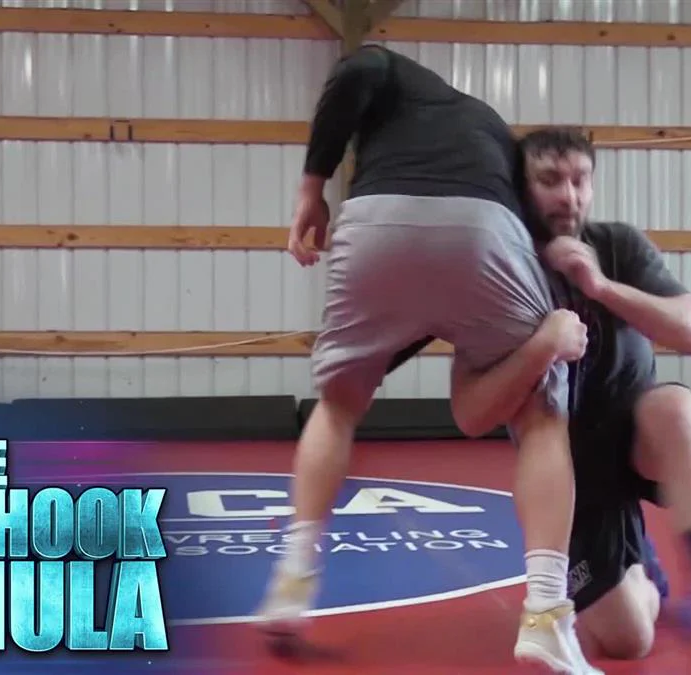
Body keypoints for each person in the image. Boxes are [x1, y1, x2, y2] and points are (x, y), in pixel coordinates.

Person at [255, 46, 601, 673]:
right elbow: (487, 256)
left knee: (337, 408)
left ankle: (292, 579)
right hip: (484, 232)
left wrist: (311, 189)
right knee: (541, 418)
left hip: (378, 226)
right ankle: (546, 615)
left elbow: (358, 68)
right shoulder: (491, 138)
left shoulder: (403, 81)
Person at [391, 126, 691, 669]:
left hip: (638, 440)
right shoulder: (502, 272)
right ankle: (642, 569)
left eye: (580, 180)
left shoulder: (618, 244)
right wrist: (541, 348)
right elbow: (470, 413)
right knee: (629, 640)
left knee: (677, 408)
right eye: (550, 180)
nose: (569, 196)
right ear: (523, 186)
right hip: (569, 477)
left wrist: (600, 286)